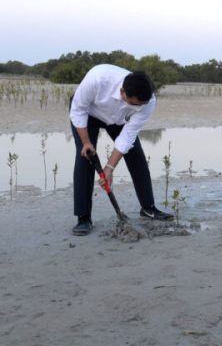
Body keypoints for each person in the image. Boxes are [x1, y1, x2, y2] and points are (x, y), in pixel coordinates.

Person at [69, 64, 174, 236]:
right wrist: (87, 143)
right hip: (88, 114)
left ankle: (148, 208)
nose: (137, 109)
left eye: (140, 106)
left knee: (135, 154)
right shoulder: (98, 78)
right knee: (85, 158)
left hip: (118, 120)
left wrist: (109, 168)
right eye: (133, 104)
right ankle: (83, 218)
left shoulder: (148, 102)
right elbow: (77, 110)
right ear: (122, 92)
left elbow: (127, 137)